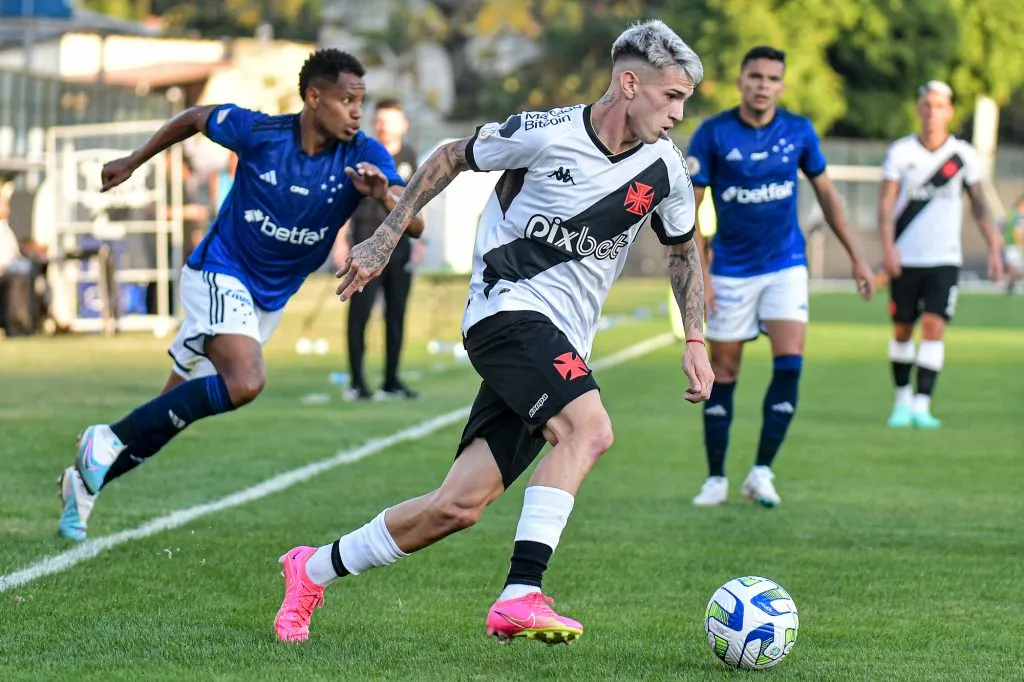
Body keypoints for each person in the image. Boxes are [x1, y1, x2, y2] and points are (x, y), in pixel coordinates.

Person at [272, 19, 714, 645]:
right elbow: (450, 156)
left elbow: (681, 250)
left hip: (561, 339)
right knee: (589, 430)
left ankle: (310, 569)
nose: (677, 113)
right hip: (506, 312)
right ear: (630, 82)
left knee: (457, 506)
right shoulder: (547, 132)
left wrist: (694, 339)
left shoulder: (665, 171)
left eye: (684, 102)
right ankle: (521, 592)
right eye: (671, 97)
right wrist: (387, 232)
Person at [56, 49, 424, 542]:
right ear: (315, 98)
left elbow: (414, 222)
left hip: (264, 301)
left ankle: (81, 483)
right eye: (347, 100)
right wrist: (133, 160)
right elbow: (194, 118)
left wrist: (382, 194)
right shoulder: (261, 133)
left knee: (170, 412)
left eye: (362, 101)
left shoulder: (364, 153)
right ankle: (106, 439)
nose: (358, 111)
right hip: (217, 271)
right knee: (246, 380)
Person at [685, 46, 875, 509]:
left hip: (787, 263)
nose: (763, 85)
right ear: (740, 81)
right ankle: (715, 478)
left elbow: (828, 197)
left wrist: (857, 256)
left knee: (790, 361)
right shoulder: (712, 134)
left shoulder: (799, 131)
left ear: (782, 86)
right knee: (724, 372)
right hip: (730, 269)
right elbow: (687, 212)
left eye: (772, 78)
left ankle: (762, 472)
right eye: (755, 76)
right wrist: (701, 276)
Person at [878, 80, 1003, 430]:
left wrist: (994, 247)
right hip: (905, 258)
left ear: (949, 111)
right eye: (927, 105)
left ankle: (922, 404)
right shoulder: (901, 153)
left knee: (934, 326)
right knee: (902, 329)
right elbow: (886, 205)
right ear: (919, 109)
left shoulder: (963, 155)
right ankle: (901, 399)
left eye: (939, 106)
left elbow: (979, 207)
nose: (932, 112)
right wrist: (887, 249)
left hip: (945, 258)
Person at [342, 98, 420, 400]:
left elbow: (418, 202)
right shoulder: (364, 155)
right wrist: (341, 241)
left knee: (396, 313)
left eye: (391, 119)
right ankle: (357, 381)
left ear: (403, 124)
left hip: (399, 245)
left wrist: (419, 242)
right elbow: (345, 199)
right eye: (381, 119)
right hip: (365, 241)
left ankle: (391, 380)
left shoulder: (410, 155)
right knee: (360, 313)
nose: (385, 124)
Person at [1001, 195, 1023, 294]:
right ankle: (1010, 285)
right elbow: (1017, 231)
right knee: (1016, 269)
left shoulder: (1012, 214)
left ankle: (1010, 285)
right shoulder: (1017, 215)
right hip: (1013, 245)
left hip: (1011, 245)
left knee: (1014, 268)